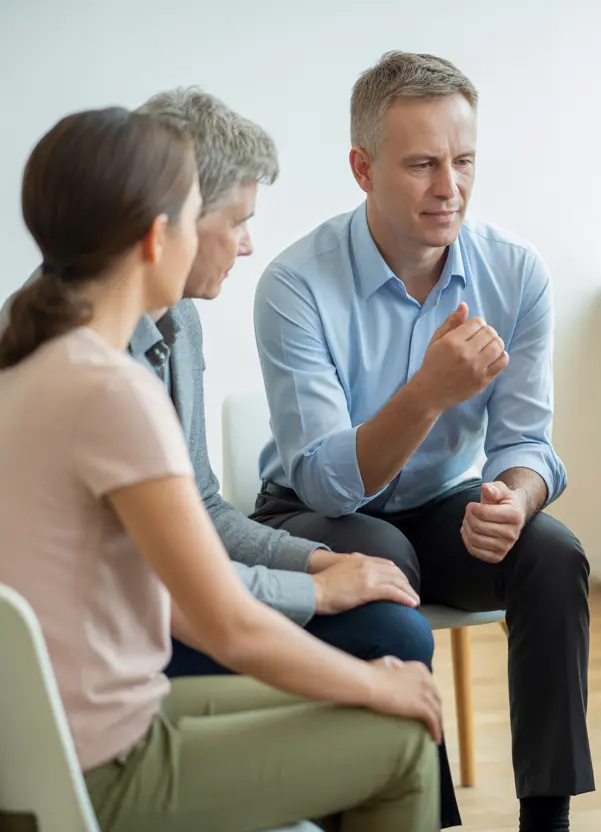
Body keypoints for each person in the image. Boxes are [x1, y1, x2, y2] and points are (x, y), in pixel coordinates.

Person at [0, 88, 461, 825]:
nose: (245, 243)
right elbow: (218, 620)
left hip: (49, 737)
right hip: (104, 761)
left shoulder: (30, 356)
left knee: (385, 695)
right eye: (217, 219)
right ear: (158, 237)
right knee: (401, 734)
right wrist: (376, 684)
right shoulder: (111, 391)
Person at [250, 51, 592, 831]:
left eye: (464, 161)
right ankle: (424, 817)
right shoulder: (296, 284)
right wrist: (428, 392)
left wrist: (514, 497)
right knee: (381, 555)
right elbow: (333, 487)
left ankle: (549, 819)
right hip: (311, 513)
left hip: (442, 503)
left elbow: (527, 442)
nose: (450, 189)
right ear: (363, 167)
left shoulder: (514, 271)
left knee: (551, 552)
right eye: (423, 165)